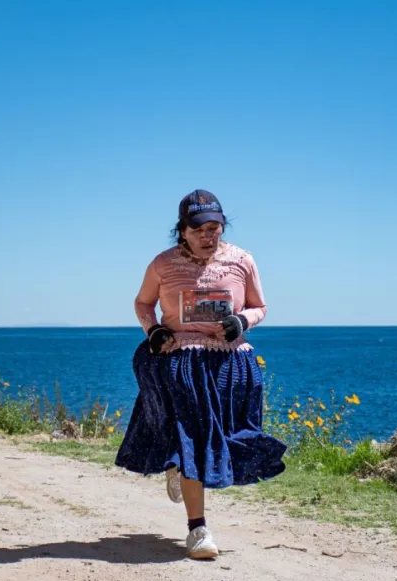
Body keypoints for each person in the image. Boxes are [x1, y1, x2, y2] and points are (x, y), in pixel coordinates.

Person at [116, 189, 287, 560]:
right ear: (182, 230)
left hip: (232, 362)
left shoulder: (242, 260)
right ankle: (198, 530)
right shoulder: (162, 264)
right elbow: (143, 303)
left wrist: (242, 319)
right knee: (196, 436)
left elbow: (260, 306)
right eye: (199, 229)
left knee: (226, 435)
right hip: (181, 362)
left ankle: (178, 463)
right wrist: (154, 330)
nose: (208, 235)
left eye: (215, 228)